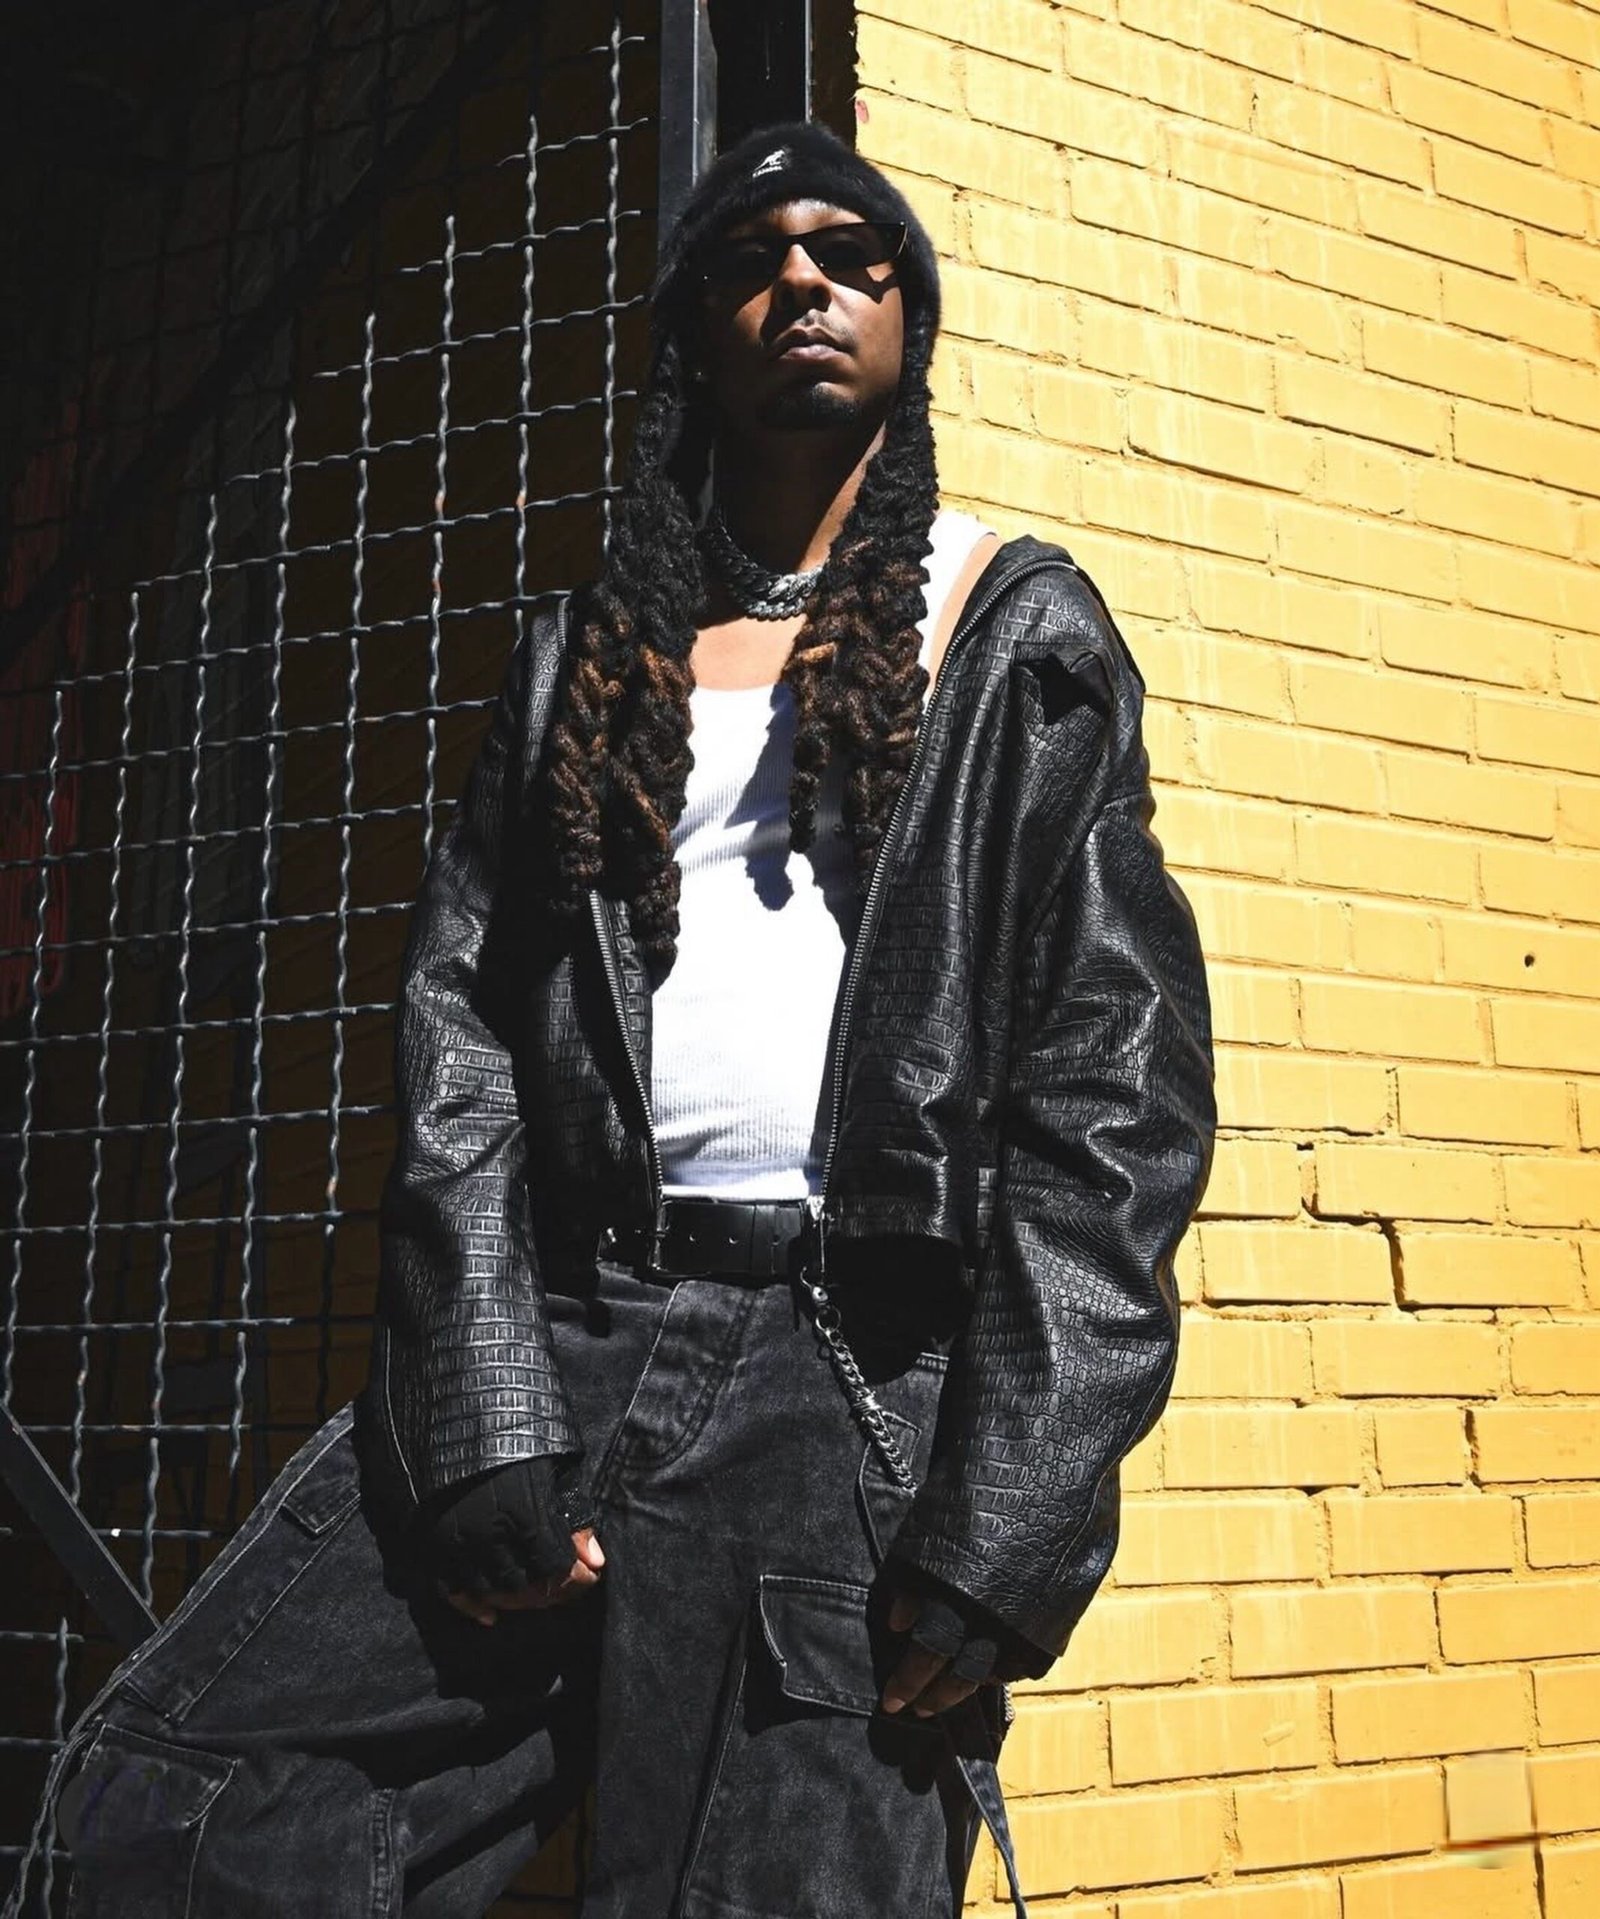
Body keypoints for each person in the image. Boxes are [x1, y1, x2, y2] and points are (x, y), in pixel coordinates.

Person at [25, 121, 1214, 1919]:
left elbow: (1113, 1095)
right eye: (754, 256)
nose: (804, 279)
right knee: (181, 1823)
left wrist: (1015, 1504)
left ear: (911, 320)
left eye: (853, 253)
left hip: (848, 1371)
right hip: (583, 1310)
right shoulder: (585, 657)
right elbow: (464, 1039)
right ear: (692, 339)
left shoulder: (1011, 634)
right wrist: (481, 1400)